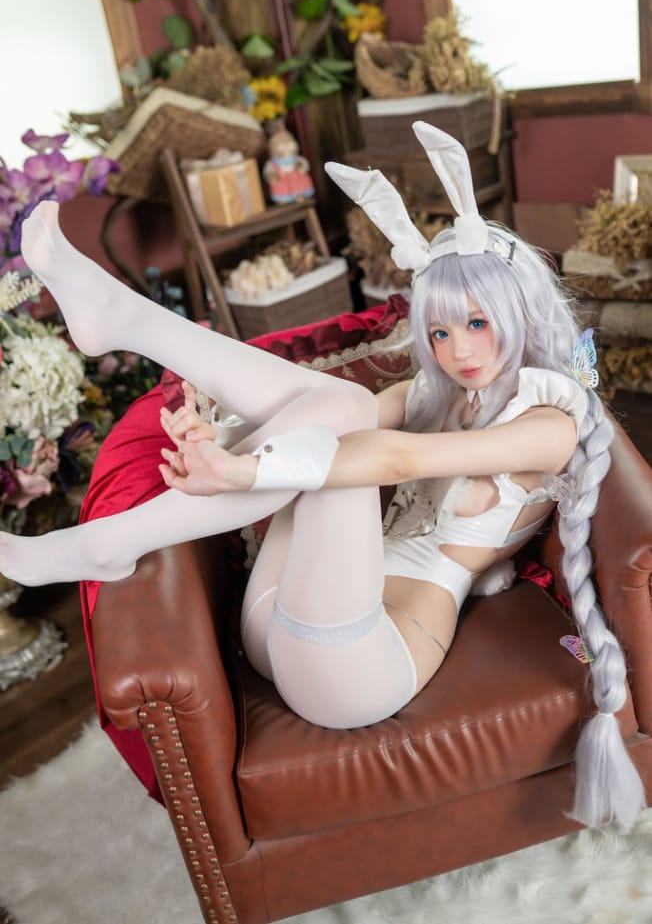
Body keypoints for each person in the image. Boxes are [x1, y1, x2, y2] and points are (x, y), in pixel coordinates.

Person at [1, 123, 644, 833]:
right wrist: (223, 440)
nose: (458, 350)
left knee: (345, 428)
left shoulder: (551, 423)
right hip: (279, 613)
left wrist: (243, 470)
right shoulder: (437, 394)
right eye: (439, 331)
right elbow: (329, 424)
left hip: (356, 665)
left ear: (519, 313)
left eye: (477, 323)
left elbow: (397, 460)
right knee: (342, 406)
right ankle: (124, 329)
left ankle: (109, 519)